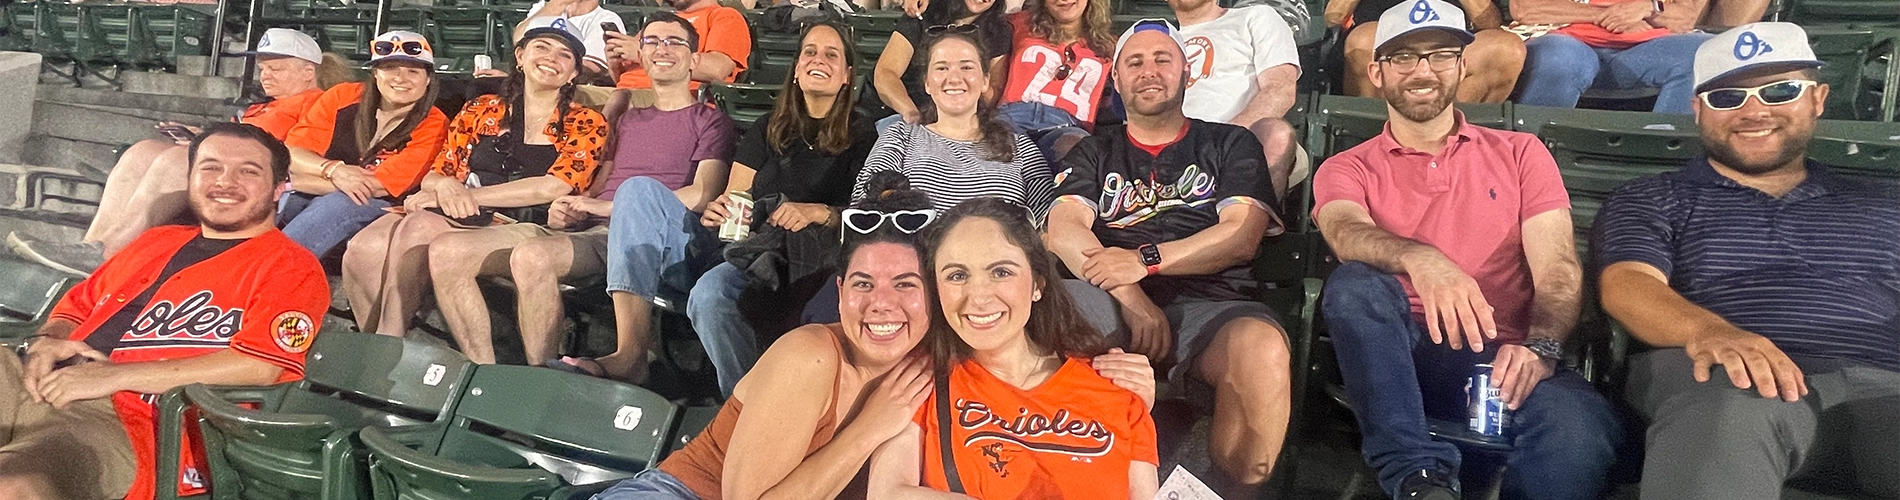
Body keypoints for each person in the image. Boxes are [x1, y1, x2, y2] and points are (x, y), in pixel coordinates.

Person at [593, 175, 1155, 500]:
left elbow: (1029, 359)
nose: (881, 303)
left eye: (906, 284)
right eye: (863, 283)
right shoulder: (813, 354)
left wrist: (1127, 388)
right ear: (840, 294)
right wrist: (866, 430)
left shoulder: (939, 359)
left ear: (932, 296)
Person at [1311, 4, 1622, 498]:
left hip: (1507, 357)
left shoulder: (1521, 153)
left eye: (1440, 56)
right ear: (1377, 71)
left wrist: (1541, 348)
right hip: (1401, 356)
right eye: (1403, 58)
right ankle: (1418, 480)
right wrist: (1422, 259)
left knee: (1579, 428)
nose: (1422, 71)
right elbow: (1345, 231)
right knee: (1354, 285)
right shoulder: (1347, 167)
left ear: (1461, 66)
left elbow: (1558, 270)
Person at [1598, 23, 1900, 499]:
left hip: (1884, 386)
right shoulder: (1654, 197)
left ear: (1817, 99)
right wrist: (1711, 331)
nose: (1754, 111)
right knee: (1729, 411)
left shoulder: (1886, 204)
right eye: (1727, 98)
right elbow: (1628, 283)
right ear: (1697, 109)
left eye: (1780, 90)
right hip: (1726, 379)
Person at [0, 123, 329, 500]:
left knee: (13, 486)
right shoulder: (158, 240)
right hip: (42, 380)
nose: (225, 181)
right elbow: (77, 306)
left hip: (132, 419)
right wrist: (48, 340)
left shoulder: (289, 267)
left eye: (248, 171)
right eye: (210, 167)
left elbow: (259, 365)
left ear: (278, 188)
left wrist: (113, 377)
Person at [1044, 20, 1292, 497]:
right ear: (1115, 81)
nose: (1148, 71)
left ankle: (1230, 491)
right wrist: (1129, 290)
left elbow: (1241, 236)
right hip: (1109, 302)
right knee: (1063, 319)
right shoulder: (1096, 150)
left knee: (1261, 349)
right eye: (1133, 62)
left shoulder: (1228, 143)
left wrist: (1145, 259)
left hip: (1215, 303)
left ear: (1187, 73)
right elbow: (1064, 228)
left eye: (1162, 59)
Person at [869, 198, 1160, 499]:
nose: (978, 297)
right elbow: (886, 493)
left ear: (1038, 285)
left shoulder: (1116, 385)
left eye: (1001, 272)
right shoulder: (921, 381)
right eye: (957, 276)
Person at [340, 28, 606, 343]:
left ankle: (388, 341)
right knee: (362, 250)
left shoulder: (586, 121)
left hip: (519, 219)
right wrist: (443, 188)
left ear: (574, 72)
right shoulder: (483, 108)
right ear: (520, 57)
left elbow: (552, 187)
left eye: (565, 55)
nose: (551, 58)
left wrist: (466, 195)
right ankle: (379, 346)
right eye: (542, 48)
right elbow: (439, 172)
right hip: (462, 210)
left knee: (418, 227)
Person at [7, 28, 329, 275]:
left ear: (308, 72)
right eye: (263, 68)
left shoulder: (319, 104)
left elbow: (291, 153)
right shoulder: (262, 107)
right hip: (222, 170)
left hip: (253, 188)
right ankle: (92, 245)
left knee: (178, 158)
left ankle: (107, 255)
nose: (266, 75)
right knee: (145, 150)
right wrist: (201, 136)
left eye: (278, 68)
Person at [687, 21, 879, 397]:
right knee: (709, 294)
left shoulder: (864, 132)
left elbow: (866, 213)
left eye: (831, 54)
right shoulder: (767, 127)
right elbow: (737, 196)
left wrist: (818, 211)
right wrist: (721, 212)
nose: (817, 59)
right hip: (762, 251)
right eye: (809, 51)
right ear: (795, 68)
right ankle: (743, 400)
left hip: (824, 255)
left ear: (846, 76)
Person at [543, 13, 736, 383]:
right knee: (529, 257)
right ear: (641, 55)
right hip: (605, 231)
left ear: (694, 59)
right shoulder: (626, 120)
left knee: (637, 189)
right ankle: (537, 379)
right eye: (652, 42)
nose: (662, 49)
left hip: (676, 241)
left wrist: (612, 206)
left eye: (674, 42)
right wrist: (570, 209)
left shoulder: (710, 120)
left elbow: (703, 193)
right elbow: (598, 185)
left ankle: (631, 354)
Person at [279, 30, 449, 257]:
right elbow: (292, 153)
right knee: (270, 198)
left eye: (413, 71)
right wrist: (334, 170)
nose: (400, 78)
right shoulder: (342, 96)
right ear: (375, 73)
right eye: (390, 68)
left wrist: (297, 181)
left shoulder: (435, 123)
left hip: (387, 206)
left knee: (337, 205)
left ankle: (268, 272)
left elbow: (375, 187)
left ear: (428, 79)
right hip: (322, 190)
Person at [856, 31, 1054, 220]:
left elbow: (1046, 220)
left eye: (966, 67)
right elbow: (863, 204)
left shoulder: (1020, 147)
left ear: (985, 81)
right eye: (942, 68)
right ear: (927, 83)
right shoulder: (900, 137)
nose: (954, 78)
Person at [1169, 0, 1305, 199]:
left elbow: (1280, 89)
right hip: (1173, 141)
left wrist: (1223, 140)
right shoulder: (1161, 40)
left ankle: (1248, 225)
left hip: (1242, 138)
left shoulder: (1255, 17)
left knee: (1276, 133)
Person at [1509, 0, 1712, 113]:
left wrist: (1647, 7)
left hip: (1647, 49)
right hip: (1566, 41)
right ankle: (1535, 154)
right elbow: (1526, 9)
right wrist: (1609, 15)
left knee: (1704, 51)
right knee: (1562, 59)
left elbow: (1686, 16)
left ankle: (1665, 157)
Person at [1331, 0, 1524, 103]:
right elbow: (1332, 17)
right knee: (1364, 41)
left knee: (1507, 50)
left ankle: (1452, 138)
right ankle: (1376, 139)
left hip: (1450, 43)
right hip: (1388, 41)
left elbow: (1490, 24)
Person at [995, 0, 1115, 162]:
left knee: (1076, 148)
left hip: (1068, 126)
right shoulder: (1018, 23)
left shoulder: (1110, 48)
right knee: (995, 144)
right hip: (1011, 117)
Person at [869, 0, 1013, 132]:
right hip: (901, 113)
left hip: (958, 121)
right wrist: (912, 115)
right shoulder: (924, 13)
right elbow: (885, 73)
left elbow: (993, 87)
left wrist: (957, 117)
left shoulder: (998, 30)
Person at [606, 0, 751, 92]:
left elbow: (717, 69)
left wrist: (642, 54)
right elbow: (625, 78)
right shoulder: (662, 21)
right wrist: (615, 64)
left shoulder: (725, 16)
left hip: (668, 99)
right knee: (584, 95)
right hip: (624, 93)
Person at [514, 0, 628, 81]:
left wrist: (543, 74)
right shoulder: (543, 7)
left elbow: (589, 68)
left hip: (571, 89)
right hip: (529, 79)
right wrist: (559, 3)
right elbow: (519, 40)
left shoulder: (605, 18)